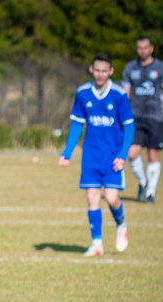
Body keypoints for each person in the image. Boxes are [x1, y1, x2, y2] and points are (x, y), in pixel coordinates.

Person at [59, 53, 134, 257]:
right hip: (90, 157)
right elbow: (76, 124)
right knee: (92, 197)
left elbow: (129, 126)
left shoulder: (118, 94)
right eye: (96, 70)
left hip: (112, 158)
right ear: (91, 69)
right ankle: (97, 243)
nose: (100, 74)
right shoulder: (83, 92)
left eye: (104, 71)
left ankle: (121, 223)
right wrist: (67, 152)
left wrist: (123, 154)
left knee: (111, 199)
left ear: (110, 71)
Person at [121, 36, 163, 203]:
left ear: (151, 48)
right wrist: (121, 117)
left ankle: (151, 192)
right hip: (135, 117)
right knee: (131, 153)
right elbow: (124, 94)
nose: (142, 51)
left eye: (145, 47)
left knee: (153, 154)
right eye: (139, 48)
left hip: (155, 117)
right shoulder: (130, 68)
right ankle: (144, 183)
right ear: (136, 49)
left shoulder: (161, 67)